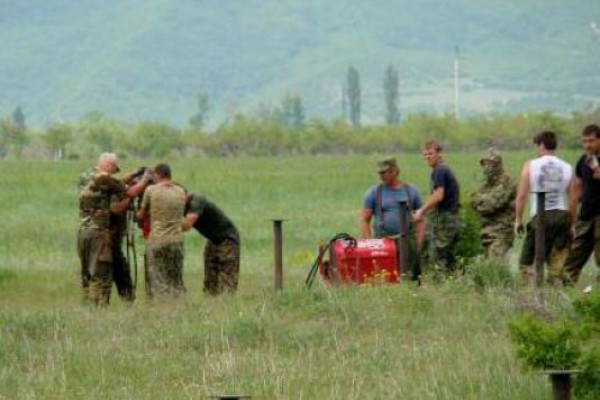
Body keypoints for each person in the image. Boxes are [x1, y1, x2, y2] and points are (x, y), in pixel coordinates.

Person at [77, 153, 150, 306]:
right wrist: (144, 179)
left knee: (87, 275)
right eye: (113, 169)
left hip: (83, 233)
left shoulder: (87, 176)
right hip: (99, 234)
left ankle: (86, 307)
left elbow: (114, 183)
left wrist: (134, 173)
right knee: (101, 275)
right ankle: (99, 311)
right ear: (110, 165)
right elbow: (129, 192)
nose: (113, 173)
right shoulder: (105, 178)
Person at [514, 131, 573, 285]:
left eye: (536, 145)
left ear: (541, 145)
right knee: (557, 264)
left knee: (526, 262)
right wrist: (572, 223)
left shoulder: (530, 165)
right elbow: (573, 198)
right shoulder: (567, 167)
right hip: (562, 215)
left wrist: (518, 219)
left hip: (540, 216)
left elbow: (521, 196)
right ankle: (557, 293)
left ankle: (532, 294)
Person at [360, 157, 425, 281]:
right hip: (383, 243)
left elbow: (420, 221)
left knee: (412, 279)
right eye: (379, 173)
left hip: (408, 242)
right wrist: (370, 244)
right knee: (386, 278)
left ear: (394, 171)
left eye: (384, 173)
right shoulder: (373, 193)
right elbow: (364, 219)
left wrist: (418, 245)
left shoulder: (411, 191)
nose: (381, 176)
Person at [138, 164, 187, 299]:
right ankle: (177, 307)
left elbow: (141, 215)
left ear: (158, 174)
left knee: (157, 279)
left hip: (157, 240)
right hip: (176, 240)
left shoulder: (151, 190)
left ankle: (160, 309)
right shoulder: (181, 191)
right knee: (176, 279)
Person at [413, 140, 462, 274]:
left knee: (438, 255)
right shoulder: (443, 169)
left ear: (439, 154)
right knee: (449, 257)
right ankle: (454, 284)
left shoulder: (440, 170)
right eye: (425, 155)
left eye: (430, 154)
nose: (427, 157)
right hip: (452, 218)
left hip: (446, 219)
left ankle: (439, 288)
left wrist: (421, 212)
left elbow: (438, 195)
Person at [182, 193, 240, 295]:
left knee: (227, 281)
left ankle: (226, 307)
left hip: (226, 239)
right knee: (210, 282)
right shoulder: (183, 206)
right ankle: (212, 306)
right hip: (212, 239)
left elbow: (187, 225)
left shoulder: (196, 201)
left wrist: (165, 225)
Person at [564, 124, 600, 283]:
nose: (587, 145)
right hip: (586, 216)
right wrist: (572, 221)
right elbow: (576, 190)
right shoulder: (583, 161)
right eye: (584, 141)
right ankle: (562, 296)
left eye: (591, 141)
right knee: (572, 259)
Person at [470, 148, 517, 260]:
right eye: (485, 164)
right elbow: (473, 201)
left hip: (501, 233)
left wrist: (481, 201)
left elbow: (491, 206)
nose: (487, 167)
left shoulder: (507, 182)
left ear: (498, 165)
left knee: (494, 266)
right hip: (484, 232)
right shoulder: (485, 183)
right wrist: (481, 201)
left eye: (490, 164)